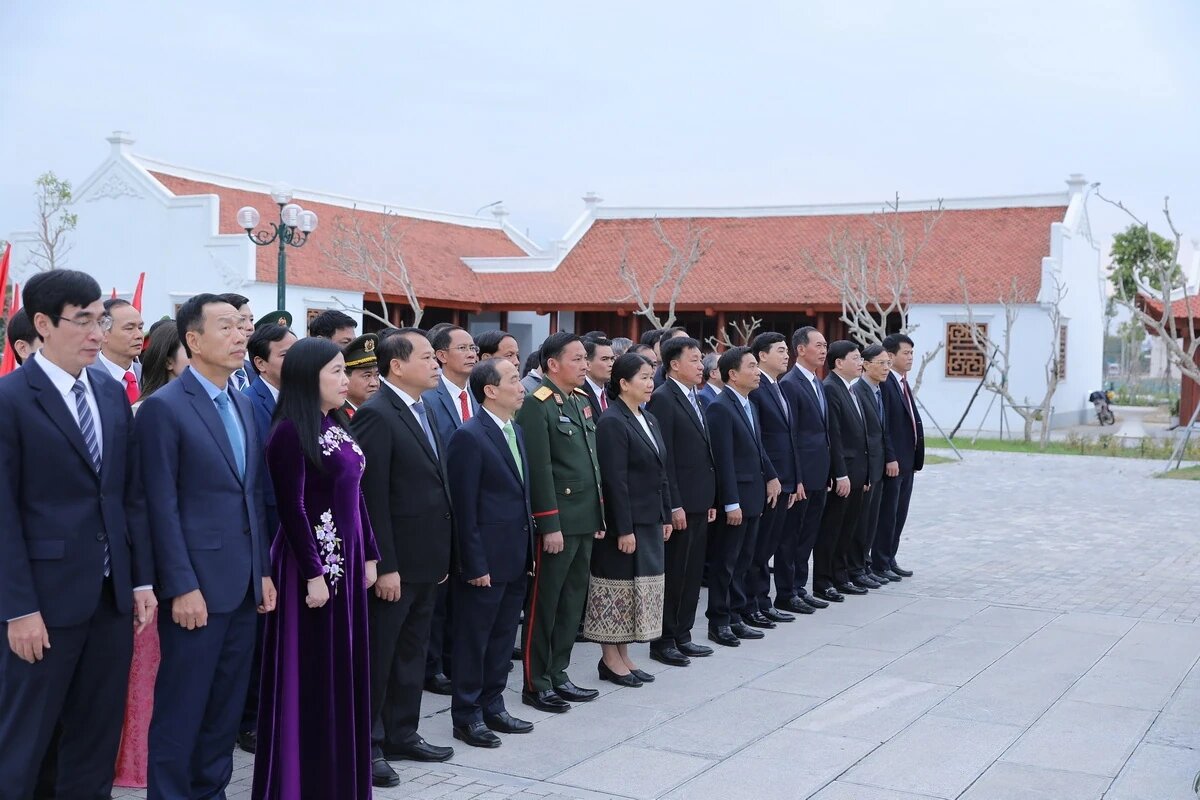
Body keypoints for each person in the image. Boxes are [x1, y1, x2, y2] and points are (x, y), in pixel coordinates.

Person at [0, 269, 155, 799]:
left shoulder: (110, 394)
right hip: (42, 606)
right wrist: (18, 609)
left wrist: (139, 581)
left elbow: (128, 497)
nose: (96, 333)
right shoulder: (11, 399)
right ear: (43, 324)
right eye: (83, 320)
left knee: (95, 740)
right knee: (24, 745)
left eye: (101, 321)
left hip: (109, 599)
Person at [137, 293, 277, 800]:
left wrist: (262, 571)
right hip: (195, 588)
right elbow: (159, 506)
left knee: (224, 708)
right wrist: (181, 585)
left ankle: (210, 791)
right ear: (193, 340)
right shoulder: (164, 408)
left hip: (242, 584)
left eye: (241, 326)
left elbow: (252, 495)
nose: (241, 335)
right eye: (227, 327)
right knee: (183, 708)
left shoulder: (241, 401)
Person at [252, 337, 380, 799]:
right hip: (312, 571)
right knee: (311, 676)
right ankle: (303, 782)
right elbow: (292, 508)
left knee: (341, 674)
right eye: (336, 371)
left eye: (345, 371)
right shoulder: (289, 432)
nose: (346, 380)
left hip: (346, 568)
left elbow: (355, 495)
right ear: (309, 377)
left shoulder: (336, 424)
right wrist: (313, 574)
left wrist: (371, 553)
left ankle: (338, 779)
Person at [352, 328, 455, 787]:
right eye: (427, 357)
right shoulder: (377, 414)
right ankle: (368, 745)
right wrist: (385, 564)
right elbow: (371, 497)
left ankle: (402, 732)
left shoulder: (422, 407)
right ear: (396, 365)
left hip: (427, 558)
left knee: (412, 652)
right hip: (396, 564)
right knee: (381, 657)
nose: (435, 364)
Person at [444, 358, 536, 748]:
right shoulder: (469, 436)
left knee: (501, 638)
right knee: (474, 640)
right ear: (491, 390)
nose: (522, 386)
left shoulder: (515, 429)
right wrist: (473, 562)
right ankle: (466, 715)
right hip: (485, 560)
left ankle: (493, 704)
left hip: (515, 555)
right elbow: (464, 508)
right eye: (514, 380)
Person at [114, 321, 189, 789]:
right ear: (170, 360)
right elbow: (143, 499)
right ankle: (134, 761)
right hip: (154, 564)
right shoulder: (146, 412)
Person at [515, 332, 603, 713]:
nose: (585, 365)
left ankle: (559, 672)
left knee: (571, 601)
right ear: (552, 364)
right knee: (545, 603)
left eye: (585, 358)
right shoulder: (537, 405)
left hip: (584, 518)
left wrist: (599, 514)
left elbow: (592, 464)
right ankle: (536, 682)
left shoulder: (580, 400)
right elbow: (540, 469)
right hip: (559, 523)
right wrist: (548, 524)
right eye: (577, 359)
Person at [585, 353, 672, 686]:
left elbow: (661, 471)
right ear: (623, 383)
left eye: (651, 377)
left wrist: (665, 514)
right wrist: (623, 529)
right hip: (625, 523)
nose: (650, 384)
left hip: (649, 517)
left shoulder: (648, 418)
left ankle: (623, 655)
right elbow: (614, 480)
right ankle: (610, 658)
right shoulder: (612, 421)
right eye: (644, 378)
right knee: (616, 589)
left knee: (636, 591)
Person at [237, 317, 298, 754]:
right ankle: (250, 720)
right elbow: (255, 482)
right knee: (260, 634)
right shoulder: (250, 402)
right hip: (266, 530)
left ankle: (277, 711)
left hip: (296, 534)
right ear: (260, 363)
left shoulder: (298, 400)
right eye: (285, 354)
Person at [647, 336, 716, 667]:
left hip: (700, 499)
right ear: (674, 364)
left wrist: (712, 497)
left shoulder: (695, 396)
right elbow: (666, 458)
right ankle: (664, 639)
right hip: (680, 503)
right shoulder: (663, 398)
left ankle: (683, 633)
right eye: (694, 359)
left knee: (692, 573)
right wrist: (673, 505)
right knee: (676, 572)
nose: (701, 366)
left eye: (701, 359)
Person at [704, 347, 780, 647]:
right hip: (736, 500)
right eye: (751, 366)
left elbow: (757, 448)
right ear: (733, 374)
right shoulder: (720, 408)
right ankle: (719, 620)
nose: (757, 371)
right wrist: (731, 502)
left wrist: (771, 476)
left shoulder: (749, 404)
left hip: (753, 495)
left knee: (744, 560)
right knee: (726, 563)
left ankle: (736, 615)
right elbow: (723, 460)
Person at [422, 324, 479, 695]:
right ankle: (432, 667)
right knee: (438, 596)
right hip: (442, 508)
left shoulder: (478, 394)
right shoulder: (430, 397)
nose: (472, 353)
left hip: (473, 509)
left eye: (473, 347)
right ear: (441, 356)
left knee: (464, 592)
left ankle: (454, 658)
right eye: (463, 348)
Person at [743, 332, 802, 627]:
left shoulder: (778, 386)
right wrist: (772, 476)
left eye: (786, 350)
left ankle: (764, 602)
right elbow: (759, 441)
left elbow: (790, 437)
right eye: (780, 350)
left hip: (786, 479)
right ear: (762, 355)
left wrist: (796, 478)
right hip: (769, 482)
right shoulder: (757, 389)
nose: (786, 355)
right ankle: (752, 604)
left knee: (771, 544)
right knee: (759, 548)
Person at [776, 327, 832, 613]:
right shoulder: (790, 383)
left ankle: (799, 586)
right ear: (800, 349)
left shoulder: (816, 382)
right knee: (791, 537)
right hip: (802, 475)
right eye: (818, 345)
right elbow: (793, 436)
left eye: (825, 345)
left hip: (819, 473)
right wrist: (796, 478)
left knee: (808, 534)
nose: (823, 350)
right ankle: (786, 592)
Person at [816, 340, 870, 603]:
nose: (861, 363)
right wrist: (840, 473)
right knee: (832, 529)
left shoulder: (851, 388)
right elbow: (834, 435)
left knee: (848, 528)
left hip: (857, 471)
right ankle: (823, 581)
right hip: (843, 473)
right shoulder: (831, 388)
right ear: (839, 362)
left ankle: (841, 575)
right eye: (856, 358)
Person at [875, 333, 925, 579]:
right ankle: (880, 562)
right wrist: (890, 457)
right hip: (893, 463)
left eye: (912, 353)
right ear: (890, 356)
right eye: (906, 353)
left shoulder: (903, 383)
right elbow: (883, 426)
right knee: (887, 514)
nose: (911, 358)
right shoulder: (885, 384)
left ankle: (890, 557)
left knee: (899, 514)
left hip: (907, 461)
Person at [851, 344, 896, 588]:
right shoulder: (858, 391)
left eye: (888, 363)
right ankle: (856, 568)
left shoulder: (879, 391)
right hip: (865, 469)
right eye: (882, 363)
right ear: (866, 365)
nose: (887, 368)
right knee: (861, 522)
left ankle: (865, 565)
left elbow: (882, 430)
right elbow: (861, 436)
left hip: (878, 467)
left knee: (871, 521)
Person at [97, 297, 145, 402]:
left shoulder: (147, 376)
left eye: (140, 328)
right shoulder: (85, 377)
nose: (139, 335)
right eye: (129, 328)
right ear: (103, 333)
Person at [137, 323, 190, 402]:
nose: (198, 358)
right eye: (189, 351)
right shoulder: (148, 406)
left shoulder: (203, 401)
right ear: (168, 362)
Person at [218, 293, 255, 390]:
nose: (250, 327)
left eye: (251, 320)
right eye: (242, 320)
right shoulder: (210, 375)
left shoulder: (256, 371)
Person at [342, 333, 380, 416]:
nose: (374, 383)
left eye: (376, 375)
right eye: (367, 376)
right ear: (345, 377)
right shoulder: (335, 415)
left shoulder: (378, 411)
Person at [581, 335, 615, 419]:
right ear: (587, 364)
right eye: (604, 359)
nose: (611, 364)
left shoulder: (612, 394)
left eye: (612, 359)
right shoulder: (579, 395)